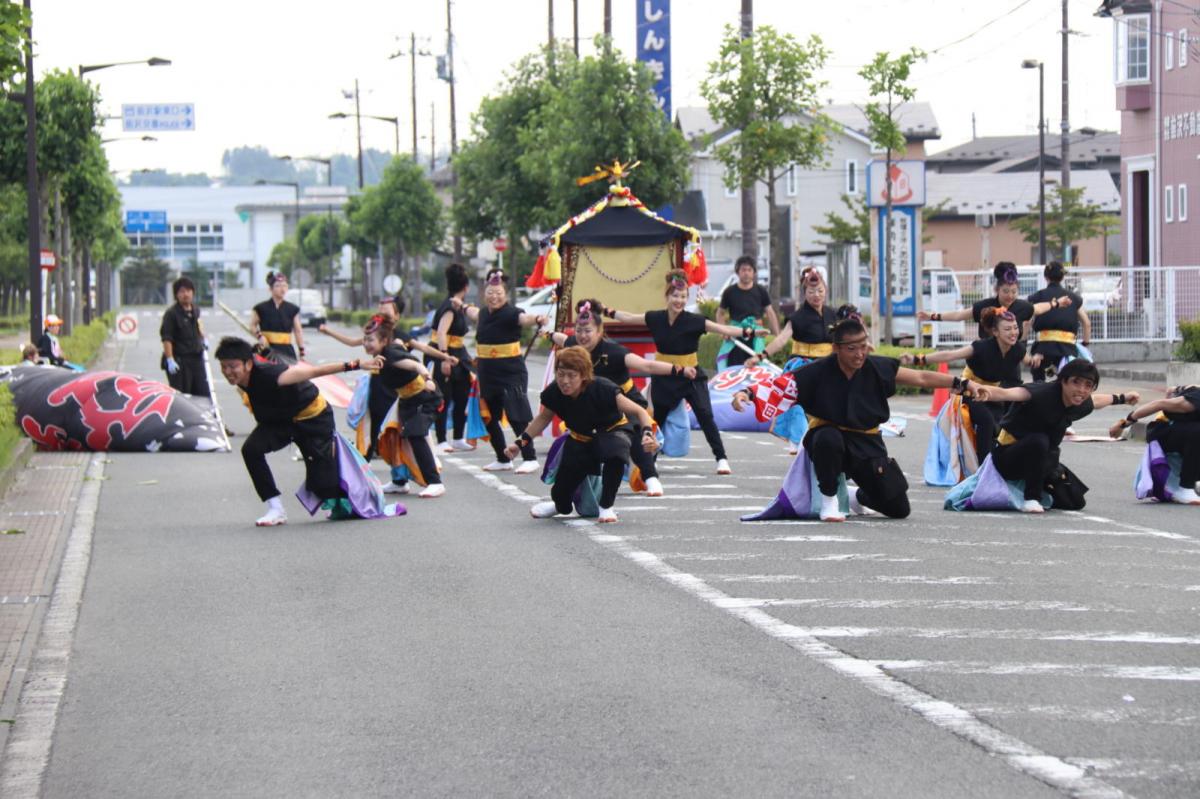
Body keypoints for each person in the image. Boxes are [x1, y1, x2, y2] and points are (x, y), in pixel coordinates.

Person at [732, 307, 982, 522]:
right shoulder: (816, 372)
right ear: (836, 349)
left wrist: (961, 384)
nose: (860, 354)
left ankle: (853, 496)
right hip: (829, 439)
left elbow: (920, 377)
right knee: (828, 438)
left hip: (867, 442)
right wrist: (746, 394)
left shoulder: (876, 367)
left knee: (898, 508)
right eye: (852, 348)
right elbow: (779, 385)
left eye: (863, 347)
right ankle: (829, 498)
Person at [607, 269, 768, 475]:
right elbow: (628, 318)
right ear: (667, 296)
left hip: (691, 374)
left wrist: (750, 332)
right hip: (665, 375)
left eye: (683, 297)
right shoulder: (655, 318)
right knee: (659, 418)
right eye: (675, 296)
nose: (679, 300)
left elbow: (723, 330)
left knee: (705, 415)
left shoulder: (694, 320)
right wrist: (605, 310)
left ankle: (721, 458)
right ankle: (651, 460)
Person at [215, 336, 377, 527]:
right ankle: (275, 509)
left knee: (323, 484)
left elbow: (314, 371)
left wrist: (355, 365)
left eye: (232, 366)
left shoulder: (273, 375)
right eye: (224, 367)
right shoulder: (242, 379)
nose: (227, 372)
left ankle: (357, 497)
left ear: (248, 364)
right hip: (282, 421)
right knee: (251, 450)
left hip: (314, 418)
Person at [548, 297, 688, 497]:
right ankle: (576, 491)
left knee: (634, 432)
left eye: (588, 331)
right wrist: (547, 332)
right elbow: (562, 338)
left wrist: (678, 370)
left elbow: (646, 366)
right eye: (579, 330)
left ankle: (651, 477)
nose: (582, 336)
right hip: (596, 405)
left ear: (600, 332)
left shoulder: (613, 351)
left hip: (625, 400)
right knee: (580, 440)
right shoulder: (574, 346)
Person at [971, 359, 1139, 513]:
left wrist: (1123, 398)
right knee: (1039, 440)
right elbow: (1009, 393)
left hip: (1042, 461)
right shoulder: (1043, 392)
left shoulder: (1078, 402)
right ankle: (1031, 498)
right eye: (1076, 382)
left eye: (1088, 385)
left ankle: (1037, 488)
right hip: (1007, 458)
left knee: (1075, 502)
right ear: (1063, 381)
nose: (1082, 390)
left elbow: (1096, 401)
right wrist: (982, 391)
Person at [515, 346, 658, 523]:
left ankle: (606, 506)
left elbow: (640, 412)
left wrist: (648, 434)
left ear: (584, 375)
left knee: (616, 454)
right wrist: (520, 443)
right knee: (561, 492)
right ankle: (559, 506)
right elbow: (543, 418)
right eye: (561, 374)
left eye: (572, 375)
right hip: (580, 438)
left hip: (612, 431)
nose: (565, 381)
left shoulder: (603, 388)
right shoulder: (554, 392)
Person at [903, 307, 1041, 466]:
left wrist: (1035, 360)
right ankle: (984, 469)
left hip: (992, 394)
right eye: (1008, 329)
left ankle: (1008, 461)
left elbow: (1029, 361)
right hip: (967, 391)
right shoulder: (981, 348)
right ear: (995, 332)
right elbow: (950, 355)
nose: (1013, 332)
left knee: (1009, 420)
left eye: (1015, 328)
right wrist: (917, 359)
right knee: (987, 421)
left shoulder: (1018, 349)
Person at [457, 268, 547, 473]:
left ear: (505, 295)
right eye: (490, 293)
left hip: (511, 372)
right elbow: (471, 312)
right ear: (484, 295)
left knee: (517, 415)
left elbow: (525, 319)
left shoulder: (512, 313)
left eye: (498, 293)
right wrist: (460, 305)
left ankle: (529, 457)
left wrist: (537, 319)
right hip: (487, 373)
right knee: (489, 415)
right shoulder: (482, 314)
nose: (494, 297)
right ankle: (503, 457)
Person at [745, 266, 837, 452]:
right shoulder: (797, 317)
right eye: (811, 292)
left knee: (831, 405)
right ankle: (798, 439)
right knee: (797, 404)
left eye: (820, 291)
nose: (816, 295)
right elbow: (781, 340)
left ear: (825, 291)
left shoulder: (831, 314)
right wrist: (761, 355)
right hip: (802, 367)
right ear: (805, 294)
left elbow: (842, 339)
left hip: (827, 367)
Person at [363, 314, 446, 498]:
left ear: (384, 340)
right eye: (365, 340)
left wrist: (428, 379)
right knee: (395, 437)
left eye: (371, 340)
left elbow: (416, 366)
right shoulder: (382, 355)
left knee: (416, 434)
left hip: (426, 398)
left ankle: (435, 482)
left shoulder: (391, 356)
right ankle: (399, 482)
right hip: (407, 401)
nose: (366, 344)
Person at [918, 262, 1069, 340]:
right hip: (985, 361)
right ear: (997, 289)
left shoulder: (1022, 307)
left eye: (1014, 292)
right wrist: (932, 316)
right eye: (1005, 291)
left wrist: (1056, 303)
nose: (1010, 296)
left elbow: (1038, 308)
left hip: (1010, 365)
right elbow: (959, 316)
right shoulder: (984, 306)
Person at [1112, 384, 1200, 505]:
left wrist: (1175, 390)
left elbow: (1178, 388)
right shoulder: (1195, 400)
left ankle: (1192, 482)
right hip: (1165, 434)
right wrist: (1123, 424)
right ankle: (1185, 488)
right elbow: (1158, 404)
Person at [429, 263, 475, 453]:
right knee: (444, 397)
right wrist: (444, 359)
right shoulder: (450, 306)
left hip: (459, 354)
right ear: (466, 287)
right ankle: (440, 440)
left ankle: (457, 437)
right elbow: (441, 333)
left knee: (462, 394)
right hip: (444, 353)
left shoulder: (459, 306)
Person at [1028, 261, 1091, 381]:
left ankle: (1040, 397)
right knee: (1066, 381)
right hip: (1067, 348)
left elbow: (1027, 322)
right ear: (1062, 277)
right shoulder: (1072, 298)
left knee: (1038, 380)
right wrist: (1084, 345)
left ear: (1045, 277)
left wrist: (1023, 342)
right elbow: (1087, 323)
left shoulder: (1038, 296)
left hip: (1042, 348)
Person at [716, 255, 780, 368]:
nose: (746, 273)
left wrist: (778, 335)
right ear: (737, 272)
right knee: (735, 368)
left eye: (749, 270)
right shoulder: (729, 292)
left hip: (756, 336)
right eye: (743, 270)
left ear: (754, 272)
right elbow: (720, 313)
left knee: (757, 369)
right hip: (736, 335)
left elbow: (770, 312)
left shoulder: (761, 291)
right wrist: (724, 331)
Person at [159, 276, 210, 397]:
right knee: (182, 396)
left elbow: (199, 328)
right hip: (179, 362)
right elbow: (167, 338)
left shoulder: (196, 310)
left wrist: (204, 339)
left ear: (193, 292)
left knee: (201, 393)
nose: (185, 294)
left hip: (196, 359)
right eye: (182, 291)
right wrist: (170, 359)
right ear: (176, 295)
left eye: (188, 290)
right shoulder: (171, 314)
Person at [251, 271, 305, 363]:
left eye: (284, 286)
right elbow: (252, 325)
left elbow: (298, 330)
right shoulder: (260, 308)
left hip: (286, 350)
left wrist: (301, 351)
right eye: (278, 286)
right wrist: (260, 337)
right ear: (270, 289)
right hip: (266, 349)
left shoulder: (292, 309)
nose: (282, 289)